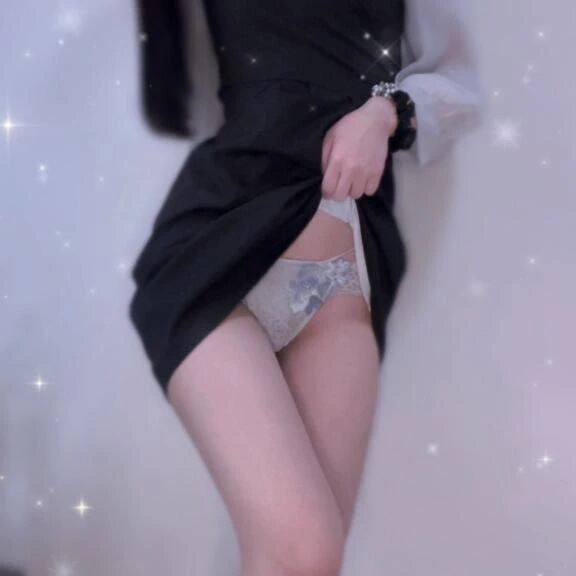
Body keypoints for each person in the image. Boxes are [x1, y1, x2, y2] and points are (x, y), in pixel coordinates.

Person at [129, 0, 485, 574]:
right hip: (213, 255)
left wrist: (387, 112)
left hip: (341, 281)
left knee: (310, 561)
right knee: (304, 548)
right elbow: (180, 100)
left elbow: (460, 82)